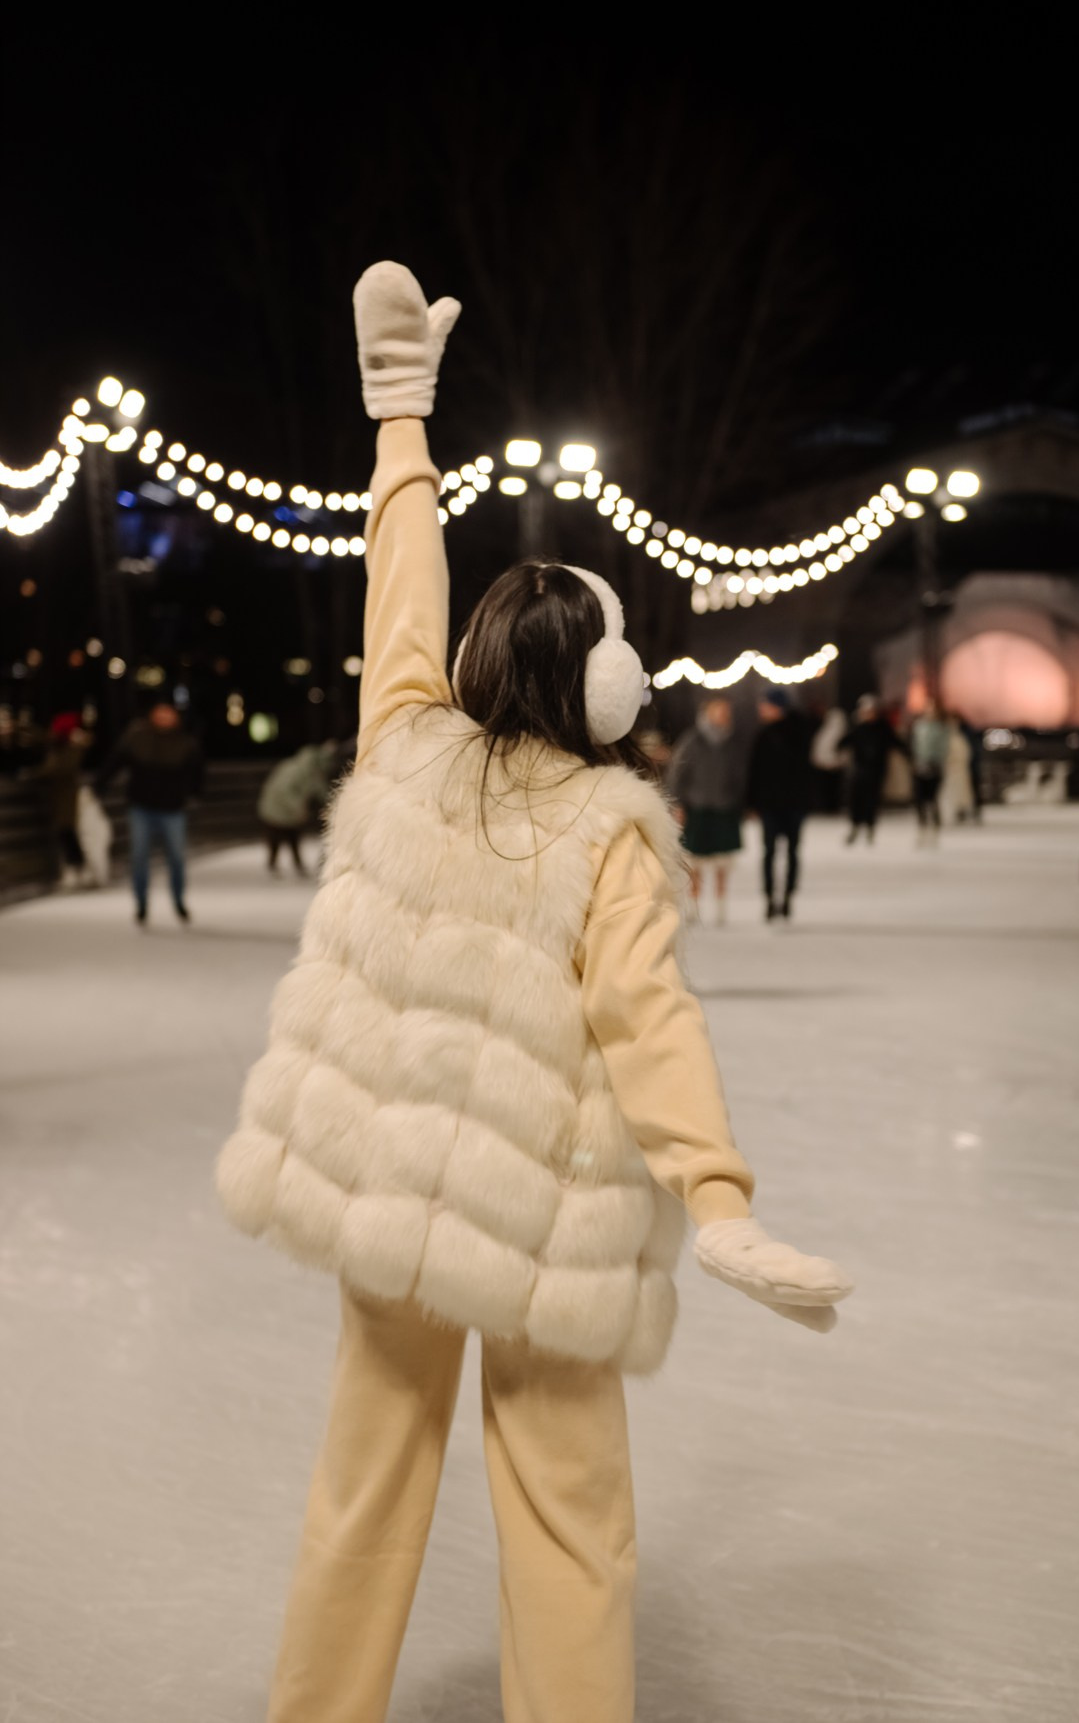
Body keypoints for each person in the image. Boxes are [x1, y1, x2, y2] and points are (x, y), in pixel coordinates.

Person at [216, 263, 852, 1723]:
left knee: (359, 1495)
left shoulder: (404, 741)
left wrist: (400, 421)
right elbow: (649, 1024)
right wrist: (717, 1194)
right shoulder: (608, 832)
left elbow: (402, 578)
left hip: (391, 1205)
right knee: (570, 1518)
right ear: (605, 691)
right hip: (542, 1224)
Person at [95, 699, 204, 924]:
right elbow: (115, 761)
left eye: (169, 713)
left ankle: (178, 901)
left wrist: (195, 794)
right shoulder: (137, 737)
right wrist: (100, 785)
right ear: (152, 715)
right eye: (160, 713)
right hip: (141, 807)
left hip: (173, 808)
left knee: (176, 858)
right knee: (139, 857)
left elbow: (197, 772)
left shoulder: (186, 742)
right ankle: (141, 904)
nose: (164, 717)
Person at [667, 695, 747, 922]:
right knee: (695, 861)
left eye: (726, 711)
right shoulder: (692, 741)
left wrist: (739, 802)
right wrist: (678, 803)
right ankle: (694, 903)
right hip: (697, 808)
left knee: (723, 861)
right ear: (708, 713)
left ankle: (721, 904)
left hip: (724, 808)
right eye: (719, 711)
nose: (724, 715)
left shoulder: (732, 743)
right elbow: (676, 774)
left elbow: (739, 776)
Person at [746, 687, 817, 920]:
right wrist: (752, 802)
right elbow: (755, 771)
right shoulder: (763, 734)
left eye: (765, 705)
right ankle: (770, 898)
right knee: (770, 853)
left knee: (791, 852)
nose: (761, 709)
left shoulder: (799, 732)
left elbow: (805, 771)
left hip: (792, 804)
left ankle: (787, 896)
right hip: (770, 805)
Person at [24, 712, 91, 888]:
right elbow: (42, 739)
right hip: (58, 796)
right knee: (64, 832)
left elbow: (60, 768)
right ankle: (74, 869)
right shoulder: (58, 745)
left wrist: (34, 774)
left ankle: (77, 868)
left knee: (67, 831)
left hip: (67, 796)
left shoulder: (71, 747)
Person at [257, 741, 339, 874]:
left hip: (284, 809)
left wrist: (333, 802)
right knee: (278, 835)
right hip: (274, 808)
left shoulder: (310, 770)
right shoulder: (297, 770)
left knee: (292, 835)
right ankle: (274, 863)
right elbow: (283, 790)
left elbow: (320, 791)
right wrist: (298, 807)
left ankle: (293, 863)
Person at [840, 694, 903, 843]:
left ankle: (870, 827)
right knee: (856, 800)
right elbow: (844, 742)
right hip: (859, 770)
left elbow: (896, 742)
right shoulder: (859, 729)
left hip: (876, 771)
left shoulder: (883, 728)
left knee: (871, 801)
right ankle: (855, 827)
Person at [910, 698, 951, 843]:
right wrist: (916, 761)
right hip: (920, 766)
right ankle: (922, 827)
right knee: (920, 799)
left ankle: (934, 828)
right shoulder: (919, 726)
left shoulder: (942, 728)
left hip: (935, 767)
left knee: (932, 799)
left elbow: (943, 748)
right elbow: (915, 745)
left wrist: (935, 762)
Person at [939, 712, 977, 826]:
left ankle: (960, 812)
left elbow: (966, 753)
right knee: (950, 792)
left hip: (959, 769)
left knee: (961, 792)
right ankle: (949, 814)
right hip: (951, 769)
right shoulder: (947, 738)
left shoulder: (959, 737)